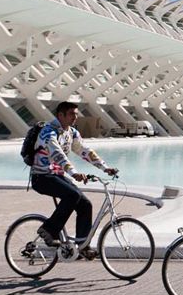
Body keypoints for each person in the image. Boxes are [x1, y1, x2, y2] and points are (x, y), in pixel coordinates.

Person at [31, 102, 118, 255]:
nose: (75, 117)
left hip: (57, 176)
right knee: (73, 195)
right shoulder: (48, 132)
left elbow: (85, 151)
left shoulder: (71, 132)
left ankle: (83, 246)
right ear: (61, 115)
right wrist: (74, 173)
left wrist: (105, 168)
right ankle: (48, 230)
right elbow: (57, 154)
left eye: (76, 114)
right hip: (42, 177)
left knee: (85, 204)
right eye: (72, 114)